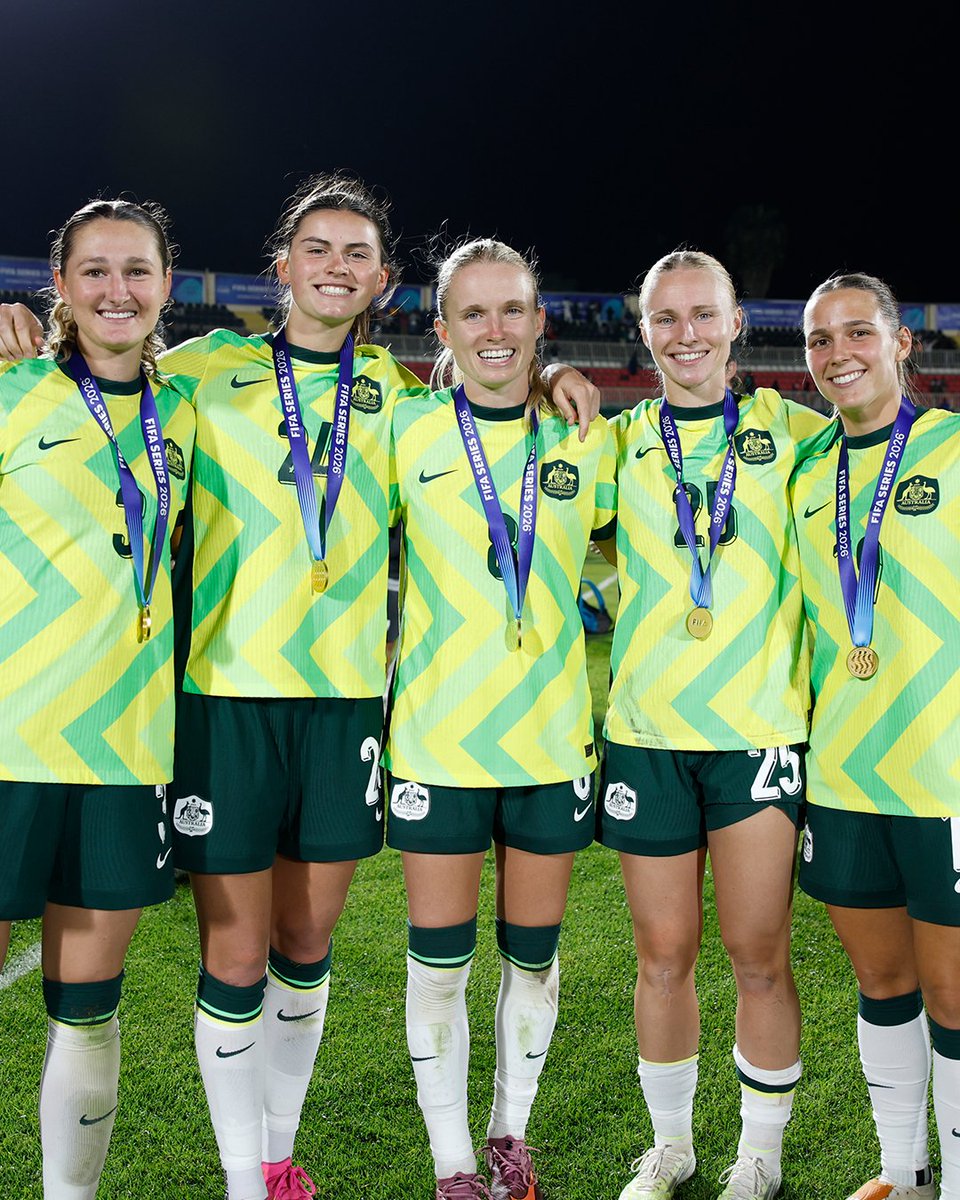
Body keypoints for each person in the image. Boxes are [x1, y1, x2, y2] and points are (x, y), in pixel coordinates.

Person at [0, 175, 599, 1200]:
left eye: (356, 252)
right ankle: (246, 1177)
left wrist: (554, 378)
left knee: (306, 945)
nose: (334, 266)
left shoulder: (407, 402)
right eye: (315, 248)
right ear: (281, 266)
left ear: (381, 279)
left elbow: (491, 415)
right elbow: (96, 384)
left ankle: (276, 1157)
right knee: (234, 950)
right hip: (220, 704)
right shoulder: (199, 374)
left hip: (342, 713)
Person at [385, 238, 615, 1200]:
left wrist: (565, 381)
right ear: (440, 330)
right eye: (472, 313)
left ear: (539, 322)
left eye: (512, 310)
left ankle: (509, 1135)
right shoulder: (403, 433)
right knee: (440, 967)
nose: (494, 330)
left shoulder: (585, 439)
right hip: (438, 738)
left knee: (534, 958)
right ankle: (452, 1165)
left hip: (551, 736)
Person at [595, 250, 827, 1200]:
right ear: (642, 330)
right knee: (663, 956)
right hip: (647, 734)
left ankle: (759, 1157)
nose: (684, 334)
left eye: (703, 315)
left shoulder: (796, 434)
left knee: (758, 954)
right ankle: (675, 1147)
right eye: (665, 318)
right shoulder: (612, 443)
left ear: (738, 324)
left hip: (757, 731)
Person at [0, 198, 195, 1198]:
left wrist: (551, 367)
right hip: (9, 743)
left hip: (126, 750)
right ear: (61, 287)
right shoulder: (11, 391)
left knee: (88, 1005)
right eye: (94, 271)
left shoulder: (190, 409)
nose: (117, 290)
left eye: (138, 270)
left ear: (166, 284)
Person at [794, 273, 960, 1200]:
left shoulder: (954, 446)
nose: (837, 354)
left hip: (945, 773)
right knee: (883, 983)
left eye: (858, 333)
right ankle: (904, 1170)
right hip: (846, 771)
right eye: (820, 340)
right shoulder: (806, 469)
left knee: (954, 996)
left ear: (902, 343)